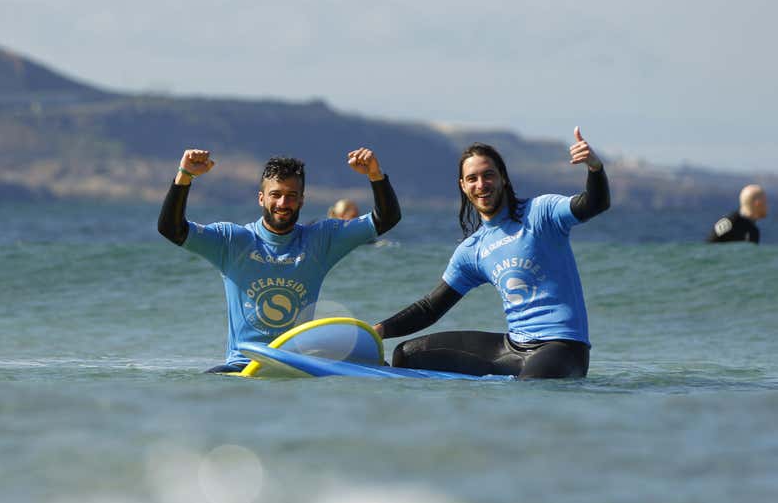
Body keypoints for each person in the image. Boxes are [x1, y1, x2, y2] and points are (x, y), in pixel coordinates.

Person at [373, 127, 609, 379]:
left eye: (488, 175)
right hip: (513, 348)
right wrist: (378, 330)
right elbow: (431, 307)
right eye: (472, 178)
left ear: (503, 178)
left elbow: (594, 203)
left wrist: (594, 168)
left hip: (562, 349)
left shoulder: (541, 213)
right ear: (463, 186)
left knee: (529, 391)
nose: (481, 184)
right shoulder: (472, 250)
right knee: (406, 355)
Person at [158, 147, 400, 373]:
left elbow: (385, 219)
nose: (283, 203)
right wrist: (185, 176)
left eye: (291, 196)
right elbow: (171, 229)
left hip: (297, 365)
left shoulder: (321, 240)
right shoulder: (232, 241)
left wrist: (375, 175)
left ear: (302, 200)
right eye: (276, 195)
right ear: (261, 198)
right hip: (243, 366)